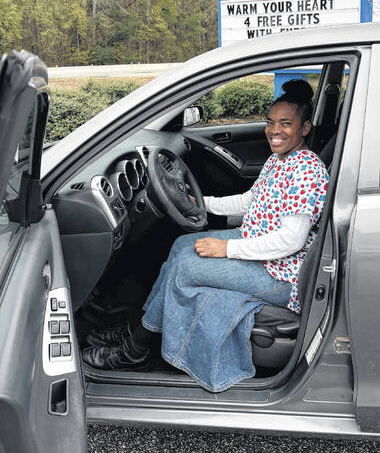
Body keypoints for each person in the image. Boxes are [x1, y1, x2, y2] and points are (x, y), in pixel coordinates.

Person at [82, 79, 329, 391]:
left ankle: (135, 349)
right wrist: (200, 202)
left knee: (186, 268)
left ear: (304, 128)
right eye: (270, 122)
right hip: (261, 249)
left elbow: (290, 241)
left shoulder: (308, 170)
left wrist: (227, 250)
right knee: (181, 245)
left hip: (280, 274)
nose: (274, 131)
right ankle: (139, 328)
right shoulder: (280, 159)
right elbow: (248, 200)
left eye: (285, 124)